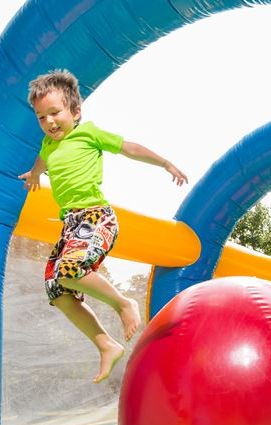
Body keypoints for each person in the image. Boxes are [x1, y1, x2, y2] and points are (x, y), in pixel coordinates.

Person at [19, 69, 188, 384]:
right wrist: (34, 176)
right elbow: (42, 161)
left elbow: (128, 148)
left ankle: (124, 303)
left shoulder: (88, 134)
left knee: (69, 269)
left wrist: (164, 163)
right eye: (41, 117)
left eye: (55, 113)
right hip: (71, 224)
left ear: (76, 111)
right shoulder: (47, 145)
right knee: (57, 291)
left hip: (95, 217)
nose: (50, 122)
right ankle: (105, 344)